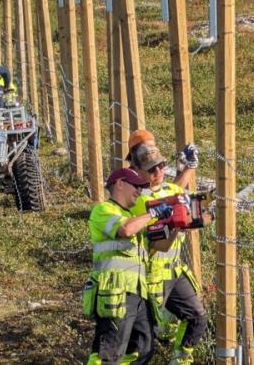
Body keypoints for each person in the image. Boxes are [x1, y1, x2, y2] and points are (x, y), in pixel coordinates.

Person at [127, 130, 207, 365]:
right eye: (152, 169)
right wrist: (176, 227)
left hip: (175, 272)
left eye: (161, 166)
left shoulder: (162, 189)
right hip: (152, 276)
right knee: (143, 343)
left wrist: (190, 166)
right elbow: (160, 245)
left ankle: (179, 361)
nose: (159, 171)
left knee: (197, 316)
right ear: (137, 170)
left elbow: (175, 190)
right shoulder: (141, 200)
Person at [86, 167, 180, 365]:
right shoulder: (103, 210)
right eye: (136, 186)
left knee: (143, 348)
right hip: (115, 293)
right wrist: (152, 213)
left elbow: (161, 247)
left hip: (138, 293)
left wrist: (176, 225)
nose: (139, 191)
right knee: (110, 352)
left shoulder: (135, 218)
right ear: (119, 183)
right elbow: (126, 229)